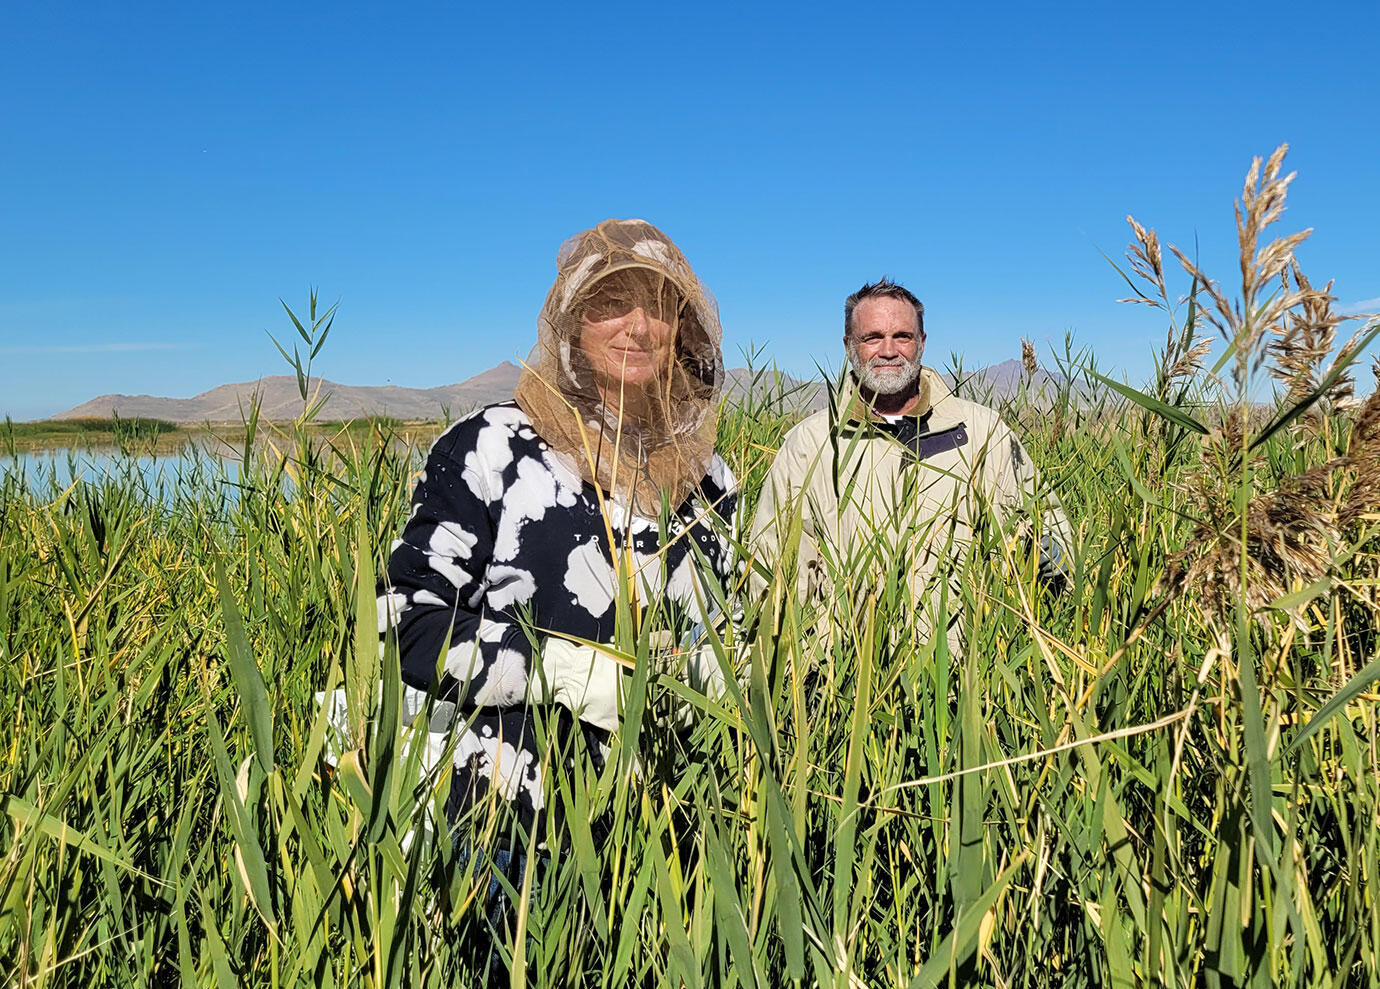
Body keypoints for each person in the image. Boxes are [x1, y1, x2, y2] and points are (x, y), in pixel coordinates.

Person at [382, 219, 738, 854]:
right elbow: (404, 625)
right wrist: (567, 673)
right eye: (608, 302)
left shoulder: (708, 476)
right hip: (511, 813)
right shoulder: (493, 446)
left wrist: (712, 679)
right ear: (573, 323)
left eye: (656, 304)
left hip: (676, 813)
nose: (635, 325)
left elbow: (733, 621)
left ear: (681, 327)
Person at [750, 278, 1073, 641]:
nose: (888, 350)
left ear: (922, 343)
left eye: (902, 336)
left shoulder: (984, 432)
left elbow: (1052, 535)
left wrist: (1052, 557)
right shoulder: (810, 445)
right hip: (846, 678)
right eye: (872, 337)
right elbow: (770, 570)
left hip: (973, 673)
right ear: (848, 347)